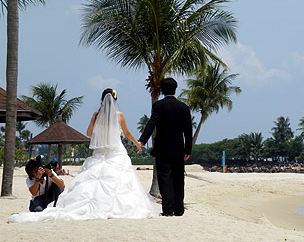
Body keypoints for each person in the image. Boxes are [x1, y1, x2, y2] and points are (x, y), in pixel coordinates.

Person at [9, 89, 157, 222]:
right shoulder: (119, 116)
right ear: (115, 101)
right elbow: (127, 133)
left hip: (100, 152)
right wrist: (138, 143)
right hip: (116, 150)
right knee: (120, 180)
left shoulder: (96, 115)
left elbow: (88, 133)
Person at [139, 77, 192, 217]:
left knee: (164, 179)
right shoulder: (184, 107)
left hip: (162, 148)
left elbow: (151, 124)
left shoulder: (158, 106)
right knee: (179, 179)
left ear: (161, 90)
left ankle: (168, 210)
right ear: (175, 89)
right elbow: (188, 130)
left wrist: (142, 141)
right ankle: (179, 209)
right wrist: (188, 150)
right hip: (179, 149)